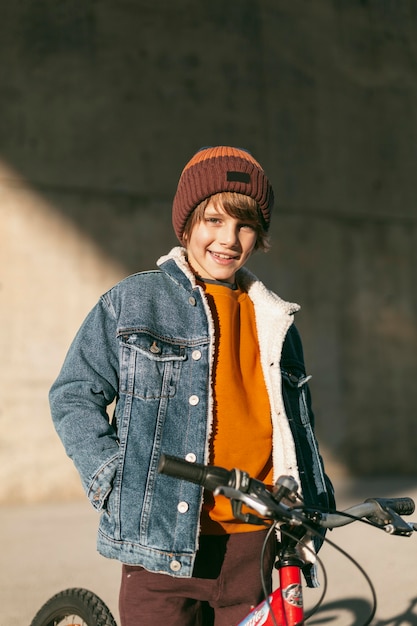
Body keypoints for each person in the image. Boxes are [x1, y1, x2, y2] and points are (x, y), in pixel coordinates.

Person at [49, 146, 334, 626]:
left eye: (245, 225)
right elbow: (74, 393)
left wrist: (312, 505)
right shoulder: (135, 301)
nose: (229, 239)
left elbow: (295, 426)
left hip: (257, 543)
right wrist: (114, 480)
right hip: (161, 541)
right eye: (215, 221)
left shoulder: (276, 320)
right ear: (186, 225)